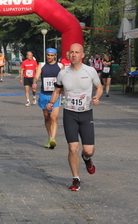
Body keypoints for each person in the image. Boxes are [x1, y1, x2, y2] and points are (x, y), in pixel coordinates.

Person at [46, 43, 103, 191]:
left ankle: (87, 159)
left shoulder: (90, 71)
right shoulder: (62, 73)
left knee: (88, 150)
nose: (73, 55)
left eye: (77, 52)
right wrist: (51, 102)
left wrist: (97, 97)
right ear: (67, 55)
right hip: (69, 114)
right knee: (73, 148)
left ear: (82, 55)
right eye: (71, 52)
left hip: (86, 114)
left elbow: (99, 87)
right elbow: (57, 90)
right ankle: (76, 179)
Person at [33, 48, 64, 149]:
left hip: (55, 95)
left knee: (53, 117)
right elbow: (36, 76)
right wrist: (34, 82)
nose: (49, 57)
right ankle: (49, 137)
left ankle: (53, 139)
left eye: (51, 55)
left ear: (55, 56)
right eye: (48, 55)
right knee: (47, 117)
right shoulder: (41, 65)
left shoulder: (60, 66)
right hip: (44, 94)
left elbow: (64, 79)